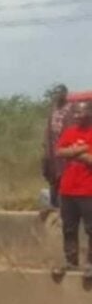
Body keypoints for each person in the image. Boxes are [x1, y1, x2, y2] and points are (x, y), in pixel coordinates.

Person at [54, 102, 92, 279]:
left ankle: (90, 264)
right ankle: (71, 261)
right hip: (67, 189)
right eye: (75, 112)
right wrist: (82, 149)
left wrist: (73, 151)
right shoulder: (69, 132)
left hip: (88, 190)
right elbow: (59, 152)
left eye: (81, 111)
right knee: (69, 228)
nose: (77, 115)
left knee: (90, 228)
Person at [44, 84, 73, 208]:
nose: (57, 95)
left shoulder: (71, 108)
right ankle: (53, 204)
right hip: (53, 148)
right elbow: (48, 128)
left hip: (66, 148)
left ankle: (66, 205)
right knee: (53, 176)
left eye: (60, 92)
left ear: (65, 94)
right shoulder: (53, 108)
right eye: (55, 93)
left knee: (65, 176)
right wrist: (46, 146)